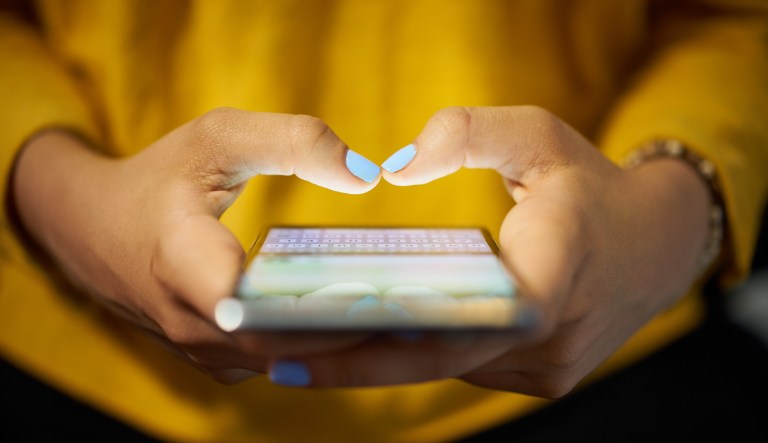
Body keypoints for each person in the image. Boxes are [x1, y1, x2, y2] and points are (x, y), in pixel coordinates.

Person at [1, 0, 767, 441]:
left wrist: (669, 217)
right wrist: (60, 198)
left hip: (610, 350)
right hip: (93, 371)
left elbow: (733, 20)